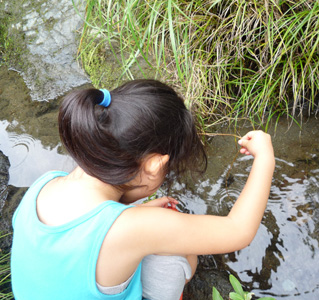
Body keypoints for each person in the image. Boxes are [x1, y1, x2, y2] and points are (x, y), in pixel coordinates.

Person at [11, 79, 275, 300]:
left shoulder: (46, 183)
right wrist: (265, 158)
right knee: (182, 255)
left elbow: (83, 231)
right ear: (154, 164)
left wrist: (131, 213)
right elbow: (238, 231)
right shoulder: (134, 228)